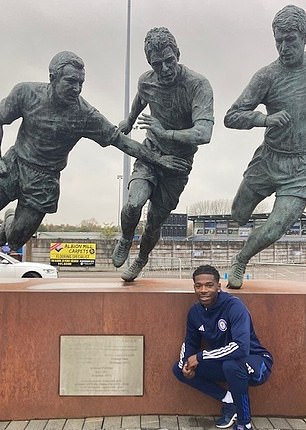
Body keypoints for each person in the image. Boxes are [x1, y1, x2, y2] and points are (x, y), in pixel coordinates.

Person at [0, 51, 190, 251]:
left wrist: (158, 159)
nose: (77, 88)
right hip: (14, 164)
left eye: (81, 83)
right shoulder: (25, 93)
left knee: (14, 239)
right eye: (71, 81)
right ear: (52, 78)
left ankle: (11, 218)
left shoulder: (85, 115)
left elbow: (121, 141)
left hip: (44, 180)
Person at [112, 27, 214, 281]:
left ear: (177, 53)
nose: (166, 69)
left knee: (155, 221)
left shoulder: (197, 85)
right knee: (134, 202)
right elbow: (141, 96)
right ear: (150, 63)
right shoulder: (146, 80)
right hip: (151, 152)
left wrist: (165, 131)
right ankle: (125, 237)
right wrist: (129, 119)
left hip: (179, 163)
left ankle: (141, 259)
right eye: (158, 65)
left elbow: (204, 133)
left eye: (170, 61)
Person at [224, 4, 306, 288]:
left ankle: (240, 259)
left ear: (303, 36)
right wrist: (264, 119)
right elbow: (231, 116)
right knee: (238, 215)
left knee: (276, 227)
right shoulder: (267, 76)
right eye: (278, 41)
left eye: (290, 40)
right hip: (269, 160)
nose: (283, 47)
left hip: (300, 169)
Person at [173, 265, 273, 430]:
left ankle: (244, 423)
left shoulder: (234, 307)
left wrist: (200, 357)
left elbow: (241, 348)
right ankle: (229, 400)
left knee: (232, 365)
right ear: (194, 287)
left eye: (209, 285)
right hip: (225, 363)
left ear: (218, 286)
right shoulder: (195, 312)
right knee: (179, 368)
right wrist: (186, 363)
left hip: (256, 363)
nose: (203, 290)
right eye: (199, 286)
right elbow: (190, 342)